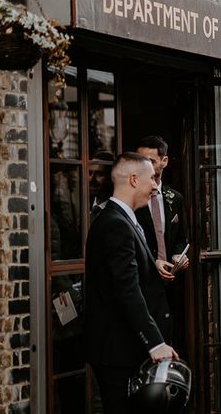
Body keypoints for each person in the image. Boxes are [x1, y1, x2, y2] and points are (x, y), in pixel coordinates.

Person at [84, 152, 177, 414]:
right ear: (134, 180)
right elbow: (126, 290)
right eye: (152, 179)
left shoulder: (125, 220)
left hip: (126, 349)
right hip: (117, 352)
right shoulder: (115, 224)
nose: (157, 186)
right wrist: (155, 342)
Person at [135, 135, 189, 347]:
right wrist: (151, 262)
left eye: (151, 161)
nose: (144, 166)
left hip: (172, 288)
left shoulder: (175, 198)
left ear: (164, 162)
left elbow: (182, 238)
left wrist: (179, 255)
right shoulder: (133, 198)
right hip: (141, 286)